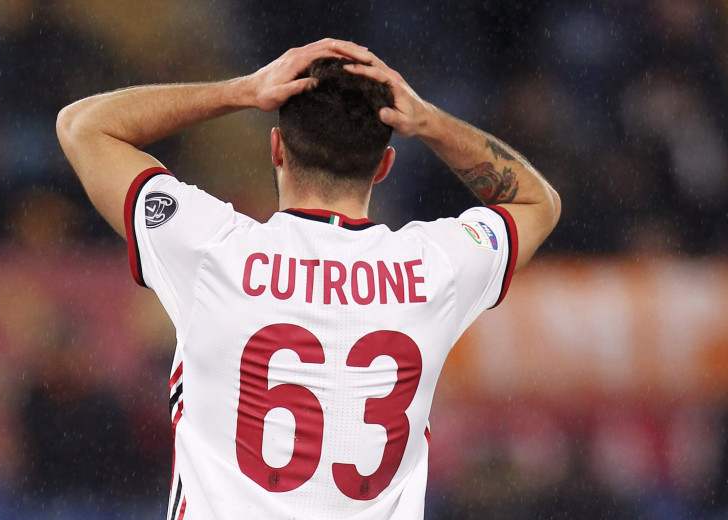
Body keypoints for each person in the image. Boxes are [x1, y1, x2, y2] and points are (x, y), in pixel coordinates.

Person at [56, 38, 560, 520]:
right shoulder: (433, 270)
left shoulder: (213, 251)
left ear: (276, 148)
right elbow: (538, 202)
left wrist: (241, 91)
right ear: (384, 165)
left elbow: (83, 126)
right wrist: (428, 121)